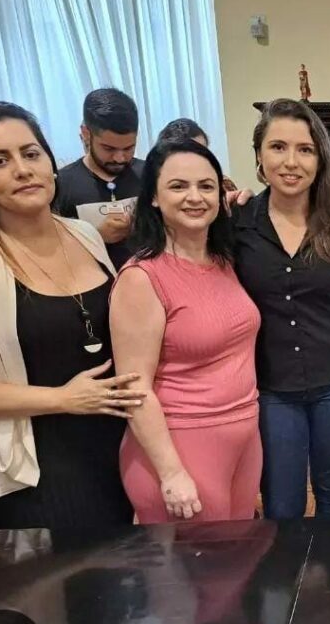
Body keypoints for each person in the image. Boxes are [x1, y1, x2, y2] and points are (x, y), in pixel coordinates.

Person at [0, 102, 143, 530]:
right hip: (34, 464)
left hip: (116, 444)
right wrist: (62, 399)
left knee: (130, 566)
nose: (22, 170)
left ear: (50, 162)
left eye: (30, 153)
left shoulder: (83, 234)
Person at [110, 139, 262, 522]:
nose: (195, 197)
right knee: (200, 561)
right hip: (183, 447)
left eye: (206, 186)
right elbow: (133, 388)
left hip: (244, 439)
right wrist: (171, 472)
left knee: (239, 554)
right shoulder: (142, 278)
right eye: (178, 186)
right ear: (154, 197)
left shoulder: (222, 261)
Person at [234, 99, 330, 520]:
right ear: (259, 155)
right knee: (281, 502)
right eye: (278, 147)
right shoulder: (236, 224)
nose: (291, 162)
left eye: (305, 150)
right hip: (272, 390)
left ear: (320, 158)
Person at [55, 88, 144, 269]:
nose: (120, 158)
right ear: (86, 133)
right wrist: (96, 237)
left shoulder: (149, 173)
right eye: (109, 149)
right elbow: (54, 253)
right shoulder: (62, 185)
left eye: (129, 148)